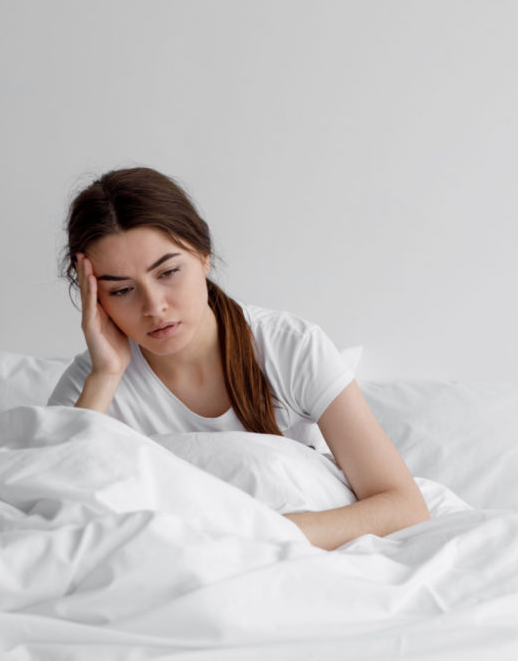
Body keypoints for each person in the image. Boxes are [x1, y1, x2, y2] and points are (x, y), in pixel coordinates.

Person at [47, 166, 430, 550]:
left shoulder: (289, 347)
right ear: (93, 297)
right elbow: (53, 508)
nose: (154, 306)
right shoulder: (93, 382)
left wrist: (255, 538)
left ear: (203, 255)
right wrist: (105, 376)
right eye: (123, 290)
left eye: (168, 272)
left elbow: (403, 505)